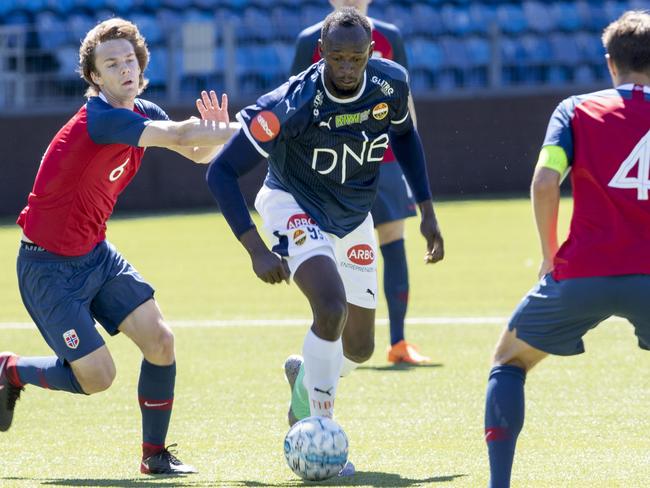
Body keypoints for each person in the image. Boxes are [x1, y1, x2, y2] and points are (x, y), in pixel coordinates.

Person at [206, 7, 444, 475]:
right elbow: (221, 172)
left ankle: (304, 380)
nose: (347, 68)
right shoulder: (290, 103)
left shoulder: (390, 84)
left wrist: (428, 211)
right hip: (291, 205)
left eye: (356, 58)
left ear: (371, 53)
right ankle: (318, 432)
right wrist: (255, 248)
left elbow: (406, 137)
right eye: (337, 57)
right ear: (322, 53)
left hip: (353, 217)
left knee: (359, 348)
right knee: (330, 308)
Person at [0, 18, 238, 475]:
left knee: (160, 341)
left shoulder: (140, 109)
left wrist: (212, 134)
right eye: (112, 63)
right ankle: (10, 370)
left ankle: (155, 457)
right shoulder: (101, 119)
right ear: (95, 77)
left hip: (95, 254)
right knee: (97, 378)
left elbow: (194, 151)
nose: (125, 68)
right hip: (46, 268)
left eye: (129, 59)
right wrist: (241, 128)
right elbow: (182, 136)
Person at [484, 10, 650, 487]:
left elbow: (543, 182)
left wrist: (549, 252)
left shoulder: (575, 110)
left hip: (582, 274)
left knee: (508, 361)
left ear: (609, 62)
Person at [291, 0, 429, 365]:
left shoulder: (390, 37)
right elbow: (291, 102)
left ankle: (399, 342)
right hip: (327, 167)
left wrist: (409, 165)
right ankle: (333, 340)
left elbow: (405, 102)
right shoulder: (311, 40)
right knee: (332, 253)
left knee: (393, 240)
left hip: (381, 159)